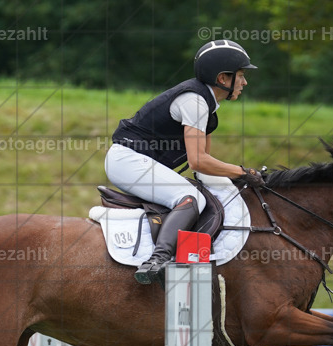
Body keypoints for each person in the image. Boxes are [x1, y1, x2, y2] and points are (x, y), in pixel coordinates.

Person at [105, 39, 265, 284]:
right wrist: (242, 171)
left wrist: (240, 179)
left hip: (135, 161)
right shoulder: (195, 101)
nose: (245, 82)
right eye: (241, 75)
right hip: (127, 161)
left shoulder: (208, 106)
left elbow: (203, 166)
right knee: (190, 199)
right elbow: (198, 161)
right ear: (223, 78)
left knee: (201, 193)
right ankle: (158, 260)